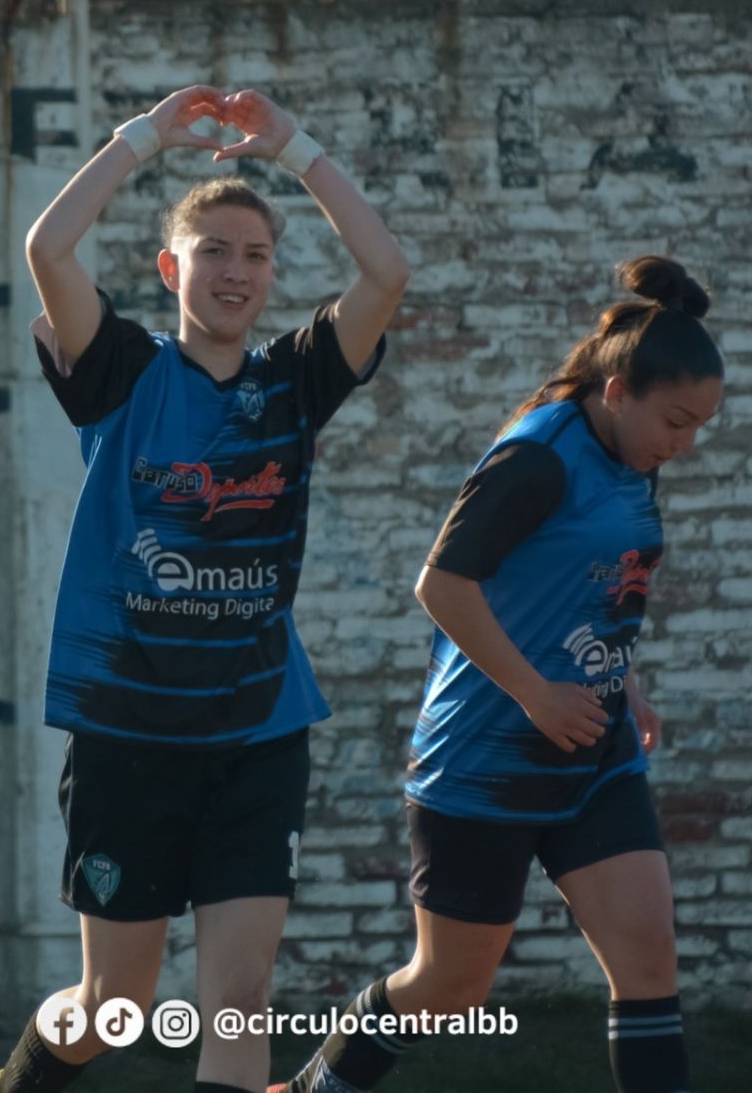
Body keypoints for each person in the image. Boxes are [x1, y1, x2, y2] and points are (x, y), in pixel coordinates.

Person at [0, 85, 410, 1093]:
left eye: (255, 255)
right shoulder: (123, 369)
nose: (236, 271)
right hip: (128, 727)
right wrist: (144, 138)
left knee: (239, 998)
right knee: (113, 1010)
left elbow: (387, 270)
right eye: (213, 251)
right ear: (172, 268)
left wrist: (293, 147)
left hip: (258, 728)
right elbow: (47, 248)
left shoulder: (295, 379)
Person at [271, 256, 723, 1093]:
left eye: (699, 427)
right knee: (448, 989)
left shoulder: (635, 454)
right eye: (676, 421)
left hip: (593, 752)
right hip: (483, 761)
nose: (684, 445)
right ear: (617, 392)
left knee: (648, 961)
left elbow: (594, 581)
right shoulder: (536, 458)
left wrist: (622, 682)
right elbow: (441, 586)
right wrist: (536, 693)